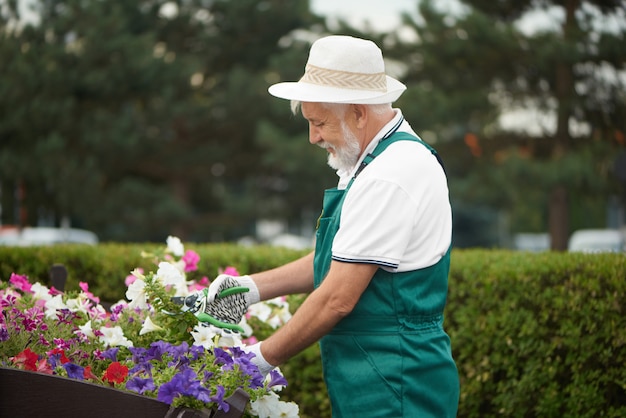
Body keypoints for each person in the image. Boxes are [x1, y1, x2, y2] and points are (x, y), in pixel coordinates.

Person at [206, 35, 459, 417]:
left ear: (358, 112)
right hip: (373, 376)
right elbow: (339, 260)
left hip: (398, 380)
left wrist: (256, 360)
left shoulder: (392, 172)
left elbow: (337, 296)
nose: (313, 137)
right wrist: (252, 288)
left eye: (319, 122)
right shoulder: (370, 161)